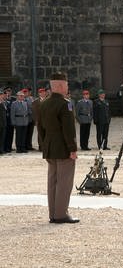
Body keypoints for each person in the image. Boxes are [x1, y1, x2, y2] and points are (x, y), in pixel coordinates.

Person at [37, 71, 79, 224]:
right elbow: (68, 130)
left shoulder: (43, 103)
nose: (67, 87)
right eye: (66, 85)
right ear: (61, 85)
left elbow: (40, 128)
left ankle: (53, 213)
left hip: (49, 147)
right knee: (64, 182)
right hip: (63, 148)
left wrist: (44, 145)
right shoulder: (65, 104)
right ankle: (61, 214)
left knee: (52, 182)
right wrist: (72, 149)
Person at [3, 87, 15, 152]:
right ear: (5, 92)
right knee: (5, 135)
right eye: (7, 91)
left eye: (10, 91)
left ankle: (9, 147)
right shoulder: (3, 99)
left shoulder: (13, 99)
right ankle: (5, 147)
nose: (8, 92)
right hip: (5, 120)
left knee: (11, 134)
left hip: (11, 119)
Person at [0, 89, 6, 154]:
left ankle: (1, 150)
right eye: (0, 95)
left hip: (3, 123)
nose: (1, 96)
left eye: (1, 95)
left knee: (2, 138)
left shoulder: (3, 103)